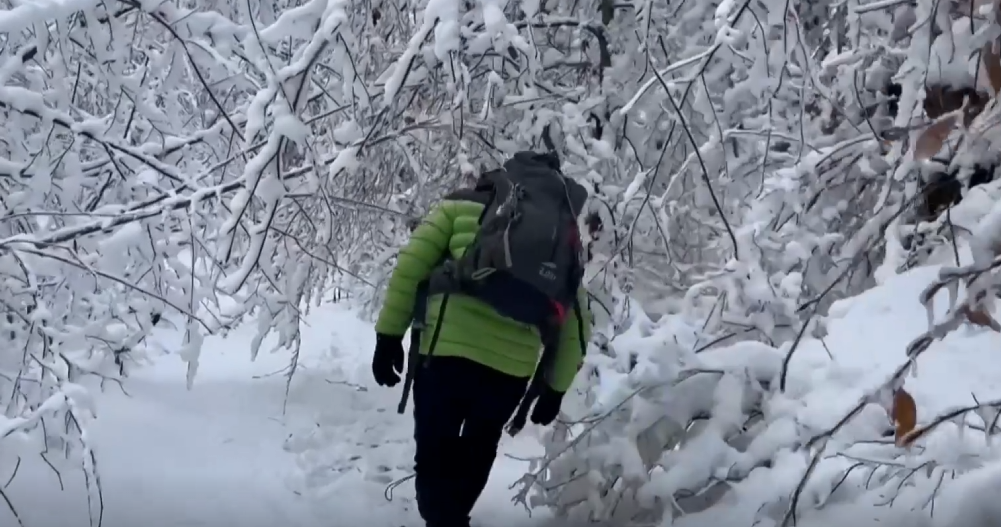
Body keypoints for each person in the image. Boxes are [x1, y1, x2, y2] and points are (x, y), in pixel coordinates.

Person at [370, 151, 592, 527]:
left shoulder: (461, 207)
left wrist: (389, 335)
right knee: (479, 446)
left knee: (434, 448)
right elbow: (578, 320)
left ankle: (442, 520)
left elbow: (412, 264)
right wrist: (555, 388)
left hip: (445, 352)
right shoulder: (560, 238)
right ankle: (452, 518)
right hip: (510, 367)